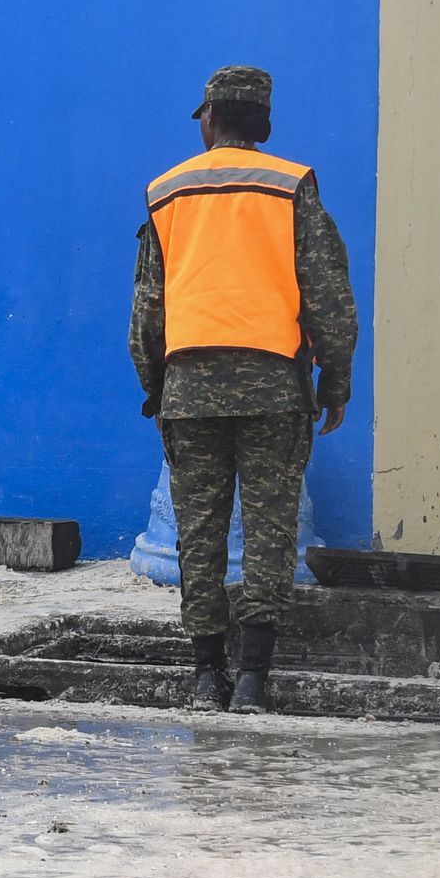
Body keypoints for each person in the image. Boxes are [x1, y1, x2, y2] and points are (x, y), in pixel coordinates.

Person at [131, 65, 358, 713]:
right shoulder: (292, 186)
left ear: (210, 117)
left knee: (198, 536)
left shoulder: (167, 192)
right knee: (269, 532)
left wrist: (157, 386)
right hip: (274, 389)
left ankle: (207, 677)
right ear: (261, 121)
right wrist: (334, 383)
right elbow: (330, 297)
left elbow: (148, 307)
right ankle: (254, 679)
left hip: (190, 390)